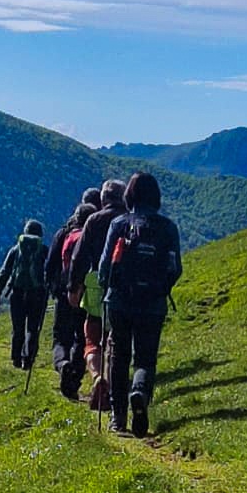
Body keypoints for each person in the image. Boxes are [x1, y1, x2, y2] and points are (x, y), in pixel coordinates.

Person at [98, 171, 181, 437]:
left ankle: (118, 416)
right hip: (152, 304)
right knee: (145, 357)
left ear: (129, 195)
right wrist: (161, 289)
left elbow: (104, 267)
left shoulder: (119, 224)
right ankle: (140, 393)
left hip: (119, 301)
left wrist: (107, 288)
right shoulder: (168, 228)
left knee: (119, 356)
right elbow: (175, 268)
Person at [66, 179, 127, 410]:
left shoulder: (94, 220)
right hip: (123, 288)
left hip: (94, 286)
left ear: (103, 199)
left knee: (92, 337)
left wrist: (74, 287)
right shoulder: (130, 220)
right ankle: (110, 384)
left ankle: (97, 376)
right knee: (116, 338)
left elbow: (79, 257)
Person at [44, 201, 96, 398]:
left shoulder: (64, 234)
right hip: (86, 295)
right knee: (81, 338)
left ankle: (62, 364)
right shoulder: (93, 237)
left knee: (61, 337)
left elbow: (50, 265)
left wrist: (53, 288)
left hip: (64, 293)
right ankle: (74, 379)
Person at [0, 219, 49, 370]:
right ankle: (28, 359)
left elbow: (5, 272)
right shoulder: (43, 250)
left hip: (17, 293)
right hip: (37, 294)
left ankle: (16, 358)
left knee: (18, 327)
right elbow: (51, 271)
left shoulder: (16, 249)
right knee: (33, 328)